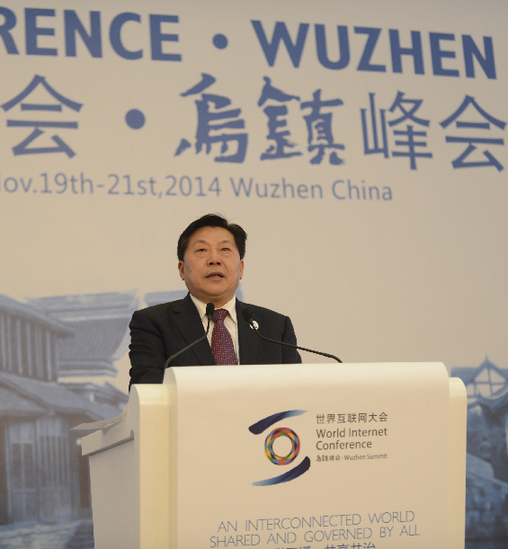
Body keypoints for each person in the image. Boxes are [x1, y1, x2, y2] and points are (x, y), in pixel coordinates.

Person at [128, 214, 301, 388]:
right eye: (201, 250)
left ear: (241, 268)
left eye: (225, 249)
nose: (214, 260)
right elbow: (147, 390)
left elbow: (297, 391)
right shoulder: (154, 324)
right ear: (182, 269)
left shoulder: (275, 328)